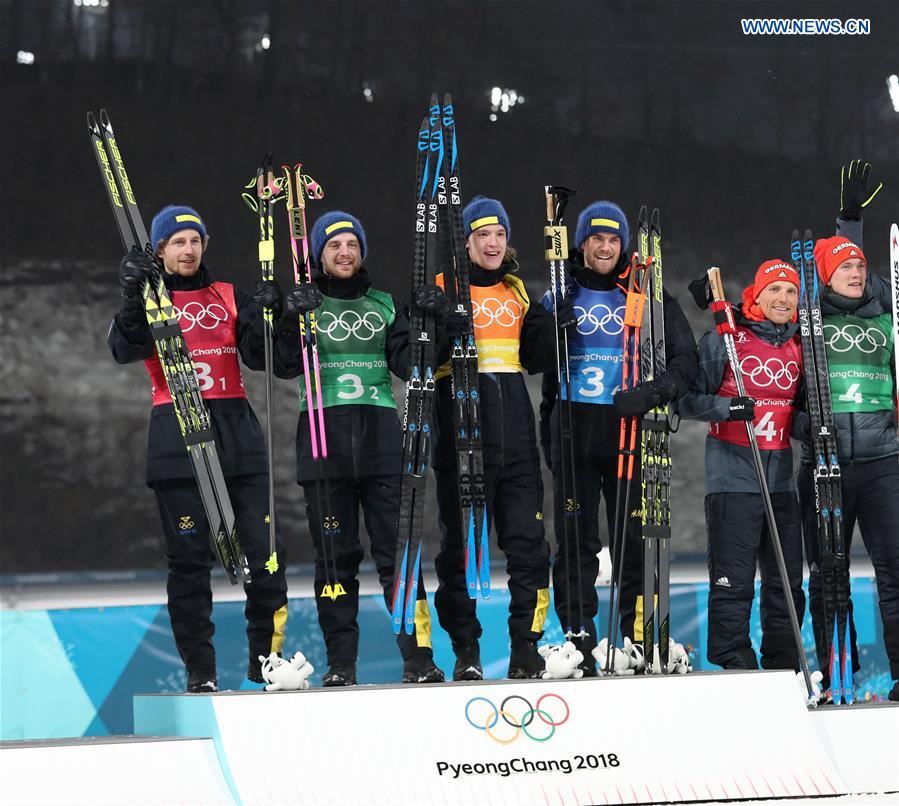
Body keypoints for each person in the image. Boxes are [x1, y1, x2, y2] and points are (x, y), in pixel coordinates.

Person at [107, 205, 288, 692]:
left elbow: (269, 358)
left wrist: (276, 314)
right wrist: (129, 295)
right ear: (161, 251)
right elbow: (124, 349)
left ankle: (265, 663)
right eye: (177, 242)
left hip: (235, 434)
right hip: (177, 434)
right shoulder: (150, 297)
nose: (188, 250)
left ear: (204, 245)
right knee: (189, 562)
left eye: (195, 241)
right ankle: (201, 671)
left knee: (264, 554)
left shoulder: (228, 295)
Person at [274, 210, 444, 686]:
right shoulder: (306, 306)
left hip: (382, 443)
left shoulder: (385, 304)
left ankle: (419, 658)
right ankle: (341, 665)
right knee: (335, 559)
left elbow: (414, 365)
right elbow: (283, 365)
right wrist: (288, 318)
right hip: (323, 443)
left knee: (398, 556)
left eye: (351, 244)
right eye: (333, 246)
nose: (344, 252)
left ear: (362, 251)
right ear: (318, 256)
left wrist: (431, 322)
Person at [539, 201, 698, 674]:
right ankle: (577, 642)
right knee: (574, 545)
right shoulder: (558, 294)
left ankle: (634, 640)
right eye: (596, 239)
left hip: (630, 433)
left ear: (623, 246)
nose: (605, 247)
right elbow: (539, 363)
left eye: (613, 240)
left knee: (633, 542)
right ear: (581, 244)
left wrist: (653, 392)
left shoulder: (648, 295)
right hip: (573, 431)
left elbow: (684, 362)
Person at [432, 196, 563, 680]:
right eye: (483, 234)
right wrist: (437, 323)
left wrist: (552, 327)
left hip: (517, 446)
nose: (492, 243)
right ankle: (466, 650)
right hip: (462, 443)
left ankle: (525, 648)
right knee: (461, 553)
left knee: (531, 549)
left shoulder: (517, 292)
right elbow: (419, 363)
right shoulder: (442, 288)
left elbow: (534, 359)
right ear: (466, 242)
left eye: (500, 234)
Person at [798, 161, 897, 701]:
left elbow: (888, 283)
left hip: (884, 459)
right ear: (826, 278)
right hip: (827, 462)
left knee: (896, 572)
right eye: (845, 268)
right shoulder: (810, 318)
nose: (855, 274)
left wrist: (852, 227)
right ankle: (840, 676)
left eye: (860, 266)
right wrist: (805, 426)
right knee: (829, 575)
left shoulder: (886, 316)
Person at [680, 259, 806, 670]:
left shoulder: (801, 343)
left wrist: (807, 424)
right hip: (734, 477)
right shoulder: (726, 339)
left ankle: (784, 662)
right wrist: (727, 407)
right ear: (757, 294)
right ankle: (733, 658)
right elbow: (686, 400)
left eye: (790, 291)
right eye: (774, 290)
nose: (783, 298)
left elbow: (800, 408)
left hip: (782, 481)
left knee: (786, 584)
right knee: (733, 583)